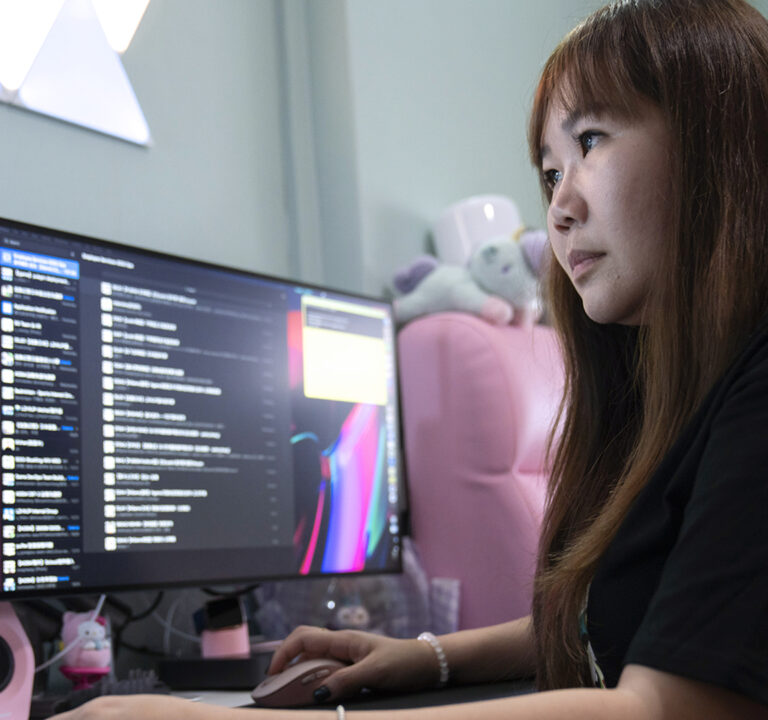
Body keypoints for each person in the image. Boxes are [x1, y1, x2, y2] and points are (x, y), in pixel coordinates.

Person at [52, 0, 768, 717]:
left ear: (721, 138)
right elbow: (627, 623)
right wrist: (426, 655)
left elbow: (671, 705)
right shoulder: (674, 400)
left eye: (590, 140)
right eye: (550, 173)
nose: (559, 208)